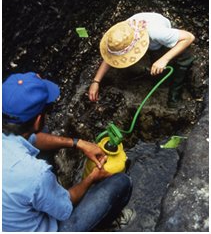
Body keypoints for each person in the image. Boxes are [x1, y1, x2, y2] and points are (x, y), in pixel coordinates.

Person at [2, 72, 133, 232]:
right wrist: (91, 178)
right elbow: (66, 205)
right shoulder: (36, 174)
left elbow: (34, 139)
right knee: (121, 182)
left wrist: (77, 143)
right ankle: (107, 222)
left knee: (46, 133)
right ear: (37, 120)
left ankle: (48, 194)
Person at [88, 12, 195, 107]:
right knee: (157, 65)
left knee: (185, 57)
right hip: (152, 42)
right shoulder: (120, 35)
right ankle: (161, 78)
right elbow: (111, 56)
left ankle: (174, 98)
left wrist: (164, 59)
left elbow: (189, 37)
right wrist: (96, 81)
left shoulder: (158, 33)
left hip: (161, 36)